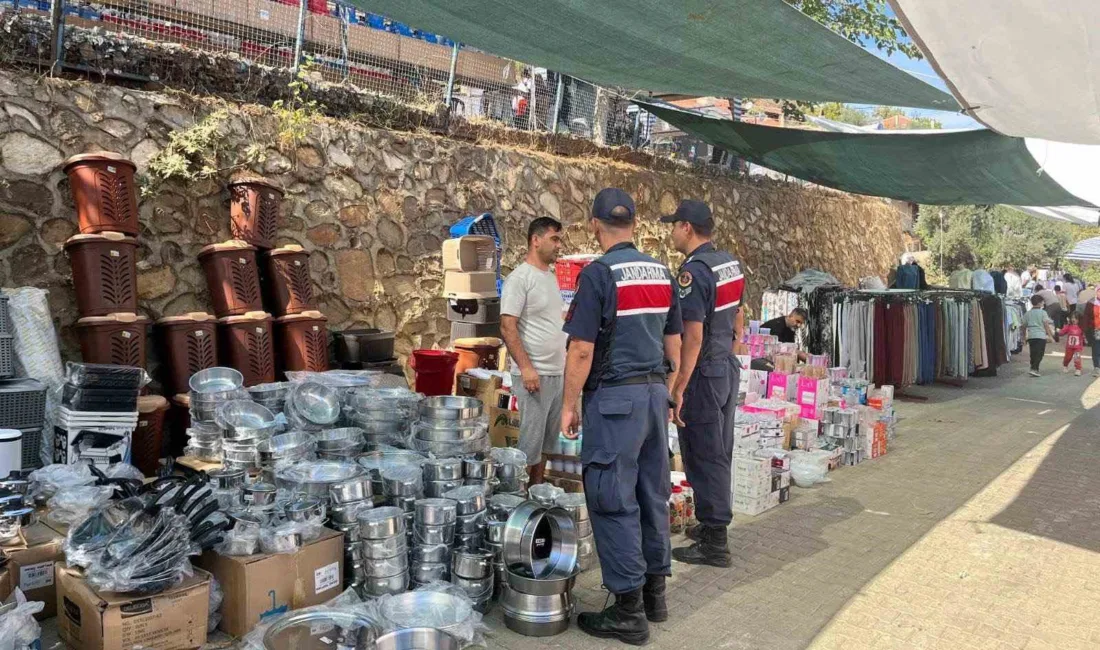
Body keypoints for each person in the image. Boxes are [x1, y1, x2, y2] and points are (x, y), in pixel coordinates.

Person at [560, 188, 682, 645]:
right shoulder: (661, 271)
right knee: (652, 494)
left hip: (615, 401)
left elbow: (582, 349)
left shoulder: (598, 274)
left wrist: (570, 405)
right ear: (634, 223)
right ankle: (655, 595)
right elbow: (674, 342)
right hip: (654, 398)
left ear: (595, 223)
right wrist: (668, 394)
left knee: (613, 499)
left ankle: (628, 611)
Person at [660, 200, 744, 568]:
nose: (671, 232)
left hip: (704, 373)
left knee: (703, 452)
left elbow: (691, 337)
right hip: (725, 365)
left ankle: (715, 540)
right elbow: (740, 312)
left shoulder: (692, 274)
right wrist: (731, 347)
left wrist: (678, 385)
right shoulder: (728, 263)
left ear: (687, 228)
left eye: (673, 225)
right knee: (719, 448)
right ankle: (712, 526)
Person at [500, 217, 566, 486]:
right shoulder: (519, 279)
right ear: (535, 240)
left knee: (547, 443)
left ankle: (537, 492)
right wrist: (527, 368)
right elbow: (507, 326)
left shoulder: (550, 277)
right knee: (530, 444)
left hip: (556, 373)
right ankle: (519, 502)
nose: (559, 246)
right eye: (554, 239)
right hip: (534, 375)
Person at [1025, 294, 1055, 377]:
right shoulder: (1043, 312)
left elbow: (1023, 326)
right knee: (1040, 353)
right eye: (1042, 302)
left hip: (1031, 336)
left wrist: (1023, 337)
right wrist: (1050, 336)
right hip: (1041, 336)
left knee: (1033, 353)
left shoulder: (1028, 313)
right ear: (1039, 303)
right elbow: (1046, 325)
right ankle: (1034, 369)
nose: (1043, 303)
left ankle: (1034, 368)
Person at [1080, 291, 1100, 377]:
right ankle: (1097, 368)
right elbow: (1086, 317)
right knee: (1096, 349)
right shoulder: (1091, 303)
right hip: (1095, 329)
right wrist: (1085, 330)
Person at [1059, 311, 1085, 376]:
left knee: (1077, 358)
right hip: (1069, 347)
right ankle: (1065, 366)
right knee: (1067, 357)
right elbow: (1062, 332)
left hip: (1077, 347)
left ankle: (1078, 369)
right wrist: (1058, 331)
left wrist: (1086, 339)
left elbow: (1084, 336)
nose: (1073, 319)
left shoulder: (1081, 327)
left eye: (1076, 318)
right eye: (1072, 318)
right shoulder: (1068, 326)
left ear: (1079, 319)